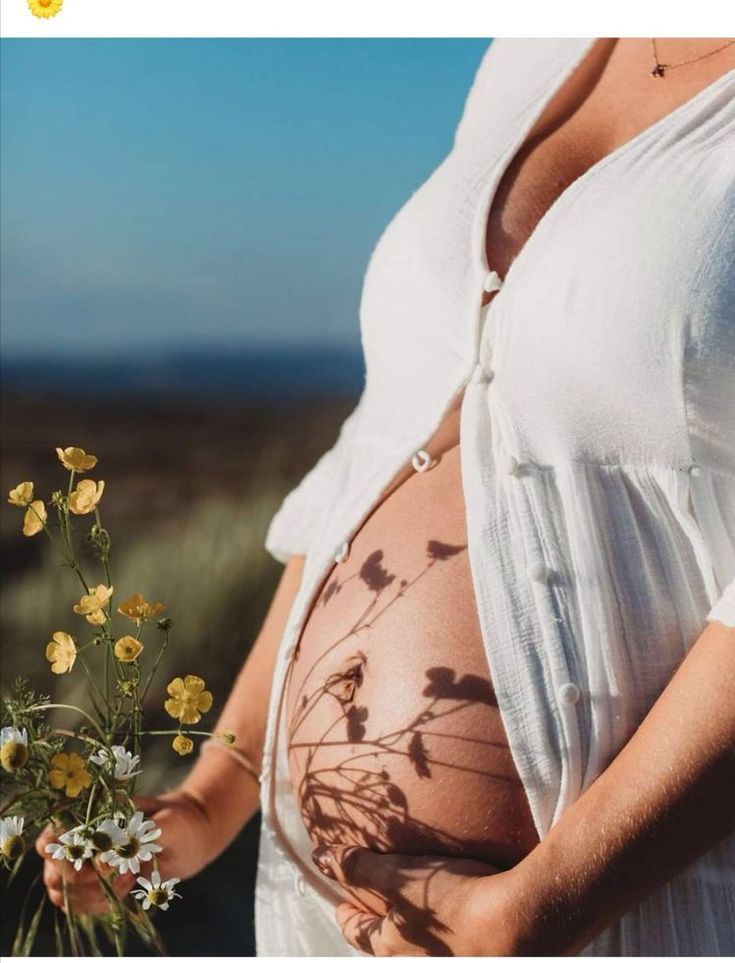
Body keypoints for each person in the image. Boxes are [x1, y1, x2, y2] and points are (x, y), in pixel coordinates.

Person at [38, 37, 735, 956]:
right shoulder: (537, 44)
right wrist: (213, 796)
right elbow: (382, 439)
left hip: (622, 909)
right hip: (325, 915)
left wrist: (557, 894)